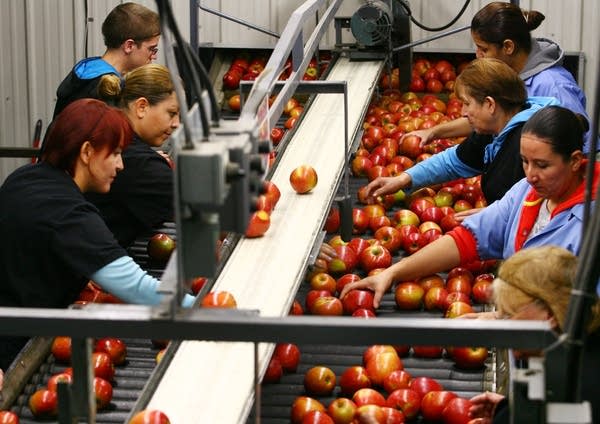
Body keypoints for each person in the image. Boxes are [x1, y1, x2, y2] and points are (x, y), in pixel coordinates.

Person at [0, 99, 194, 371]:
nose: (121, 165)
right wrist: (211, 310)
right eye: (115, 153)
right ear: (88, 152)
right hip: (13, 347)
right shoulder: (68, 212)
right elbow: (136, 287)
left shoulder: (25, 176)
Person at [340, 105, 598, 308]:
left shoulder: (591, 225)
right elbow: (467, 239)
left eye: (542, 165)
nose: (530, 174)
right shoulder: (526, 193)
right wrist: (393, 273)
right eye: (524, 162)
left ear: (575, 161)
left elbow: (586, 311)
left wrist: (505, 320)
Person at [403, 1, 593, 153]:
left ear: (508, 47)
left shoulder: (554, 87)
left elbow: (580, 149)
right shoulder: (508, 75)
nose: (478, 55)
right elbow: (484, 118)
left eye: (483, 49)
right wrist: (433, 132)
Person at [365, 58, 558, 206]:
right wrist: (403, 179)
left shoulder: (527, 144)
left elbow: (539, 203)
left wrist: (495, 215)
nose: (463, 113)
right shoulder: (493, 132)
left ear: (490, 104)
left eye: (467, 103)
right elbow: (453, 161)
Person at [467, 246, 600, 424]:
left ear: (549, 315)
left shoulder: (572, 388)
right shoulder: (581, 352)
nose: (504, 327)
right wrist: (510, 411)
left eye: (509, 314)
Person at [86, 64, 179, 248]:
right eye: (172, 113)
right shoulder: (138, 163)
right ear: (142, 107)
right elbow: (199, 206)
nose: (177, 124)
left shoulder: (110, 134)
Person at [52, 2, 160, 118]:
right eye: (152, 49)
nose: (154, 56)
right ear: (129, 46)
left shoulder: (88, 70)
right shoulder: (106, 89)